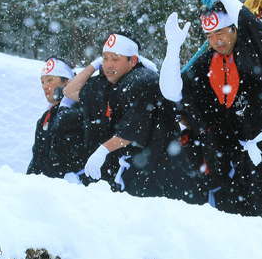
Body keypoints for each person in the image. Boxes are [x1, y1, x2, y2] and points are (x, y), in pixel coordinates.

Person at [159, 0, 262, 222]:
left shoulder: (255, 46)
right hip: (250, 158)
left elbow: (249, 23)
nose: (215, 41)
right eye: (209, 36)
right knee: (254, 224)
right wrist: (173, 48)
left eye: (220, 32)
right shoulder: (206, 64)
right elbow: (173, 92)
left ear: (234, 28)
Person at [63, 31, 182, 197]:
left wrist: (102, 151)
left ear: (133, 61)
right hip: (128, 170)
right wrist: (95, 65)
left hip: (157, 168)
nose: (108, 64)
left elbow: (133, 129)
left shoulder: (142, 80)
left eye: (115, 59)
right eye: (105, 58)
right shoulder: (106, 83)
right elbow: (70, 91)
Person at [26, 56, 87, 180]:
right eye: (42, 82)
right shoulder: (45, 118)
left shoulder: (81, 111)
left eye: (49, 80)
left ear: (68, 82)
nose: (44, 86)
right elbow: (36, 159)